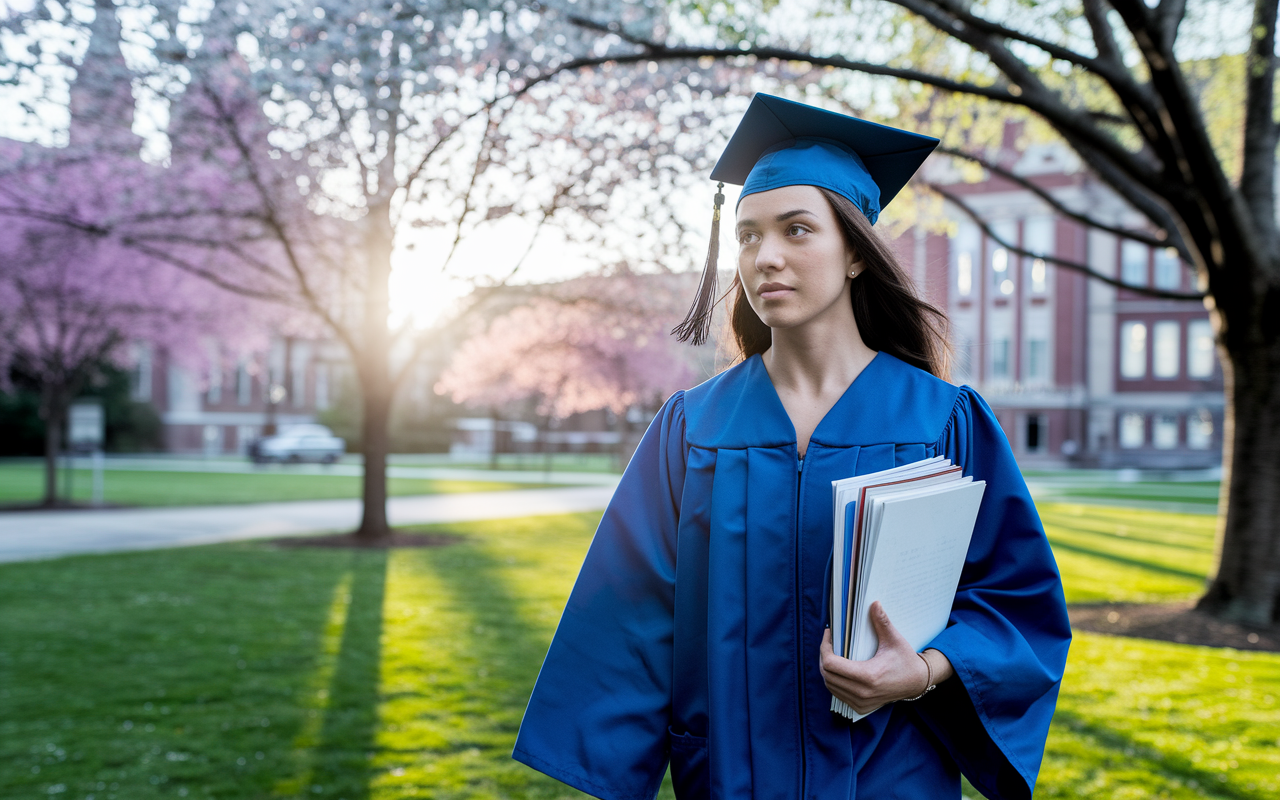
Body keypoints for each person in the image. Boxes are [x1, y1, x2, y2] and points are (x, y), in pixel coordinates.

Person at [512, 93, 1071, 800]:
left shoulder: (944, 419)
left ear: (857, 254)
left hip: (891, 777)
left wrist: (926, 669)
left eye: (797, 230)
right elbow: (627, 610)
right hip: (729, 777)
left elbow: (1016, 599)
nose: (765, 256)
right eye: (747, 236)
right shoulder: (694, 426)